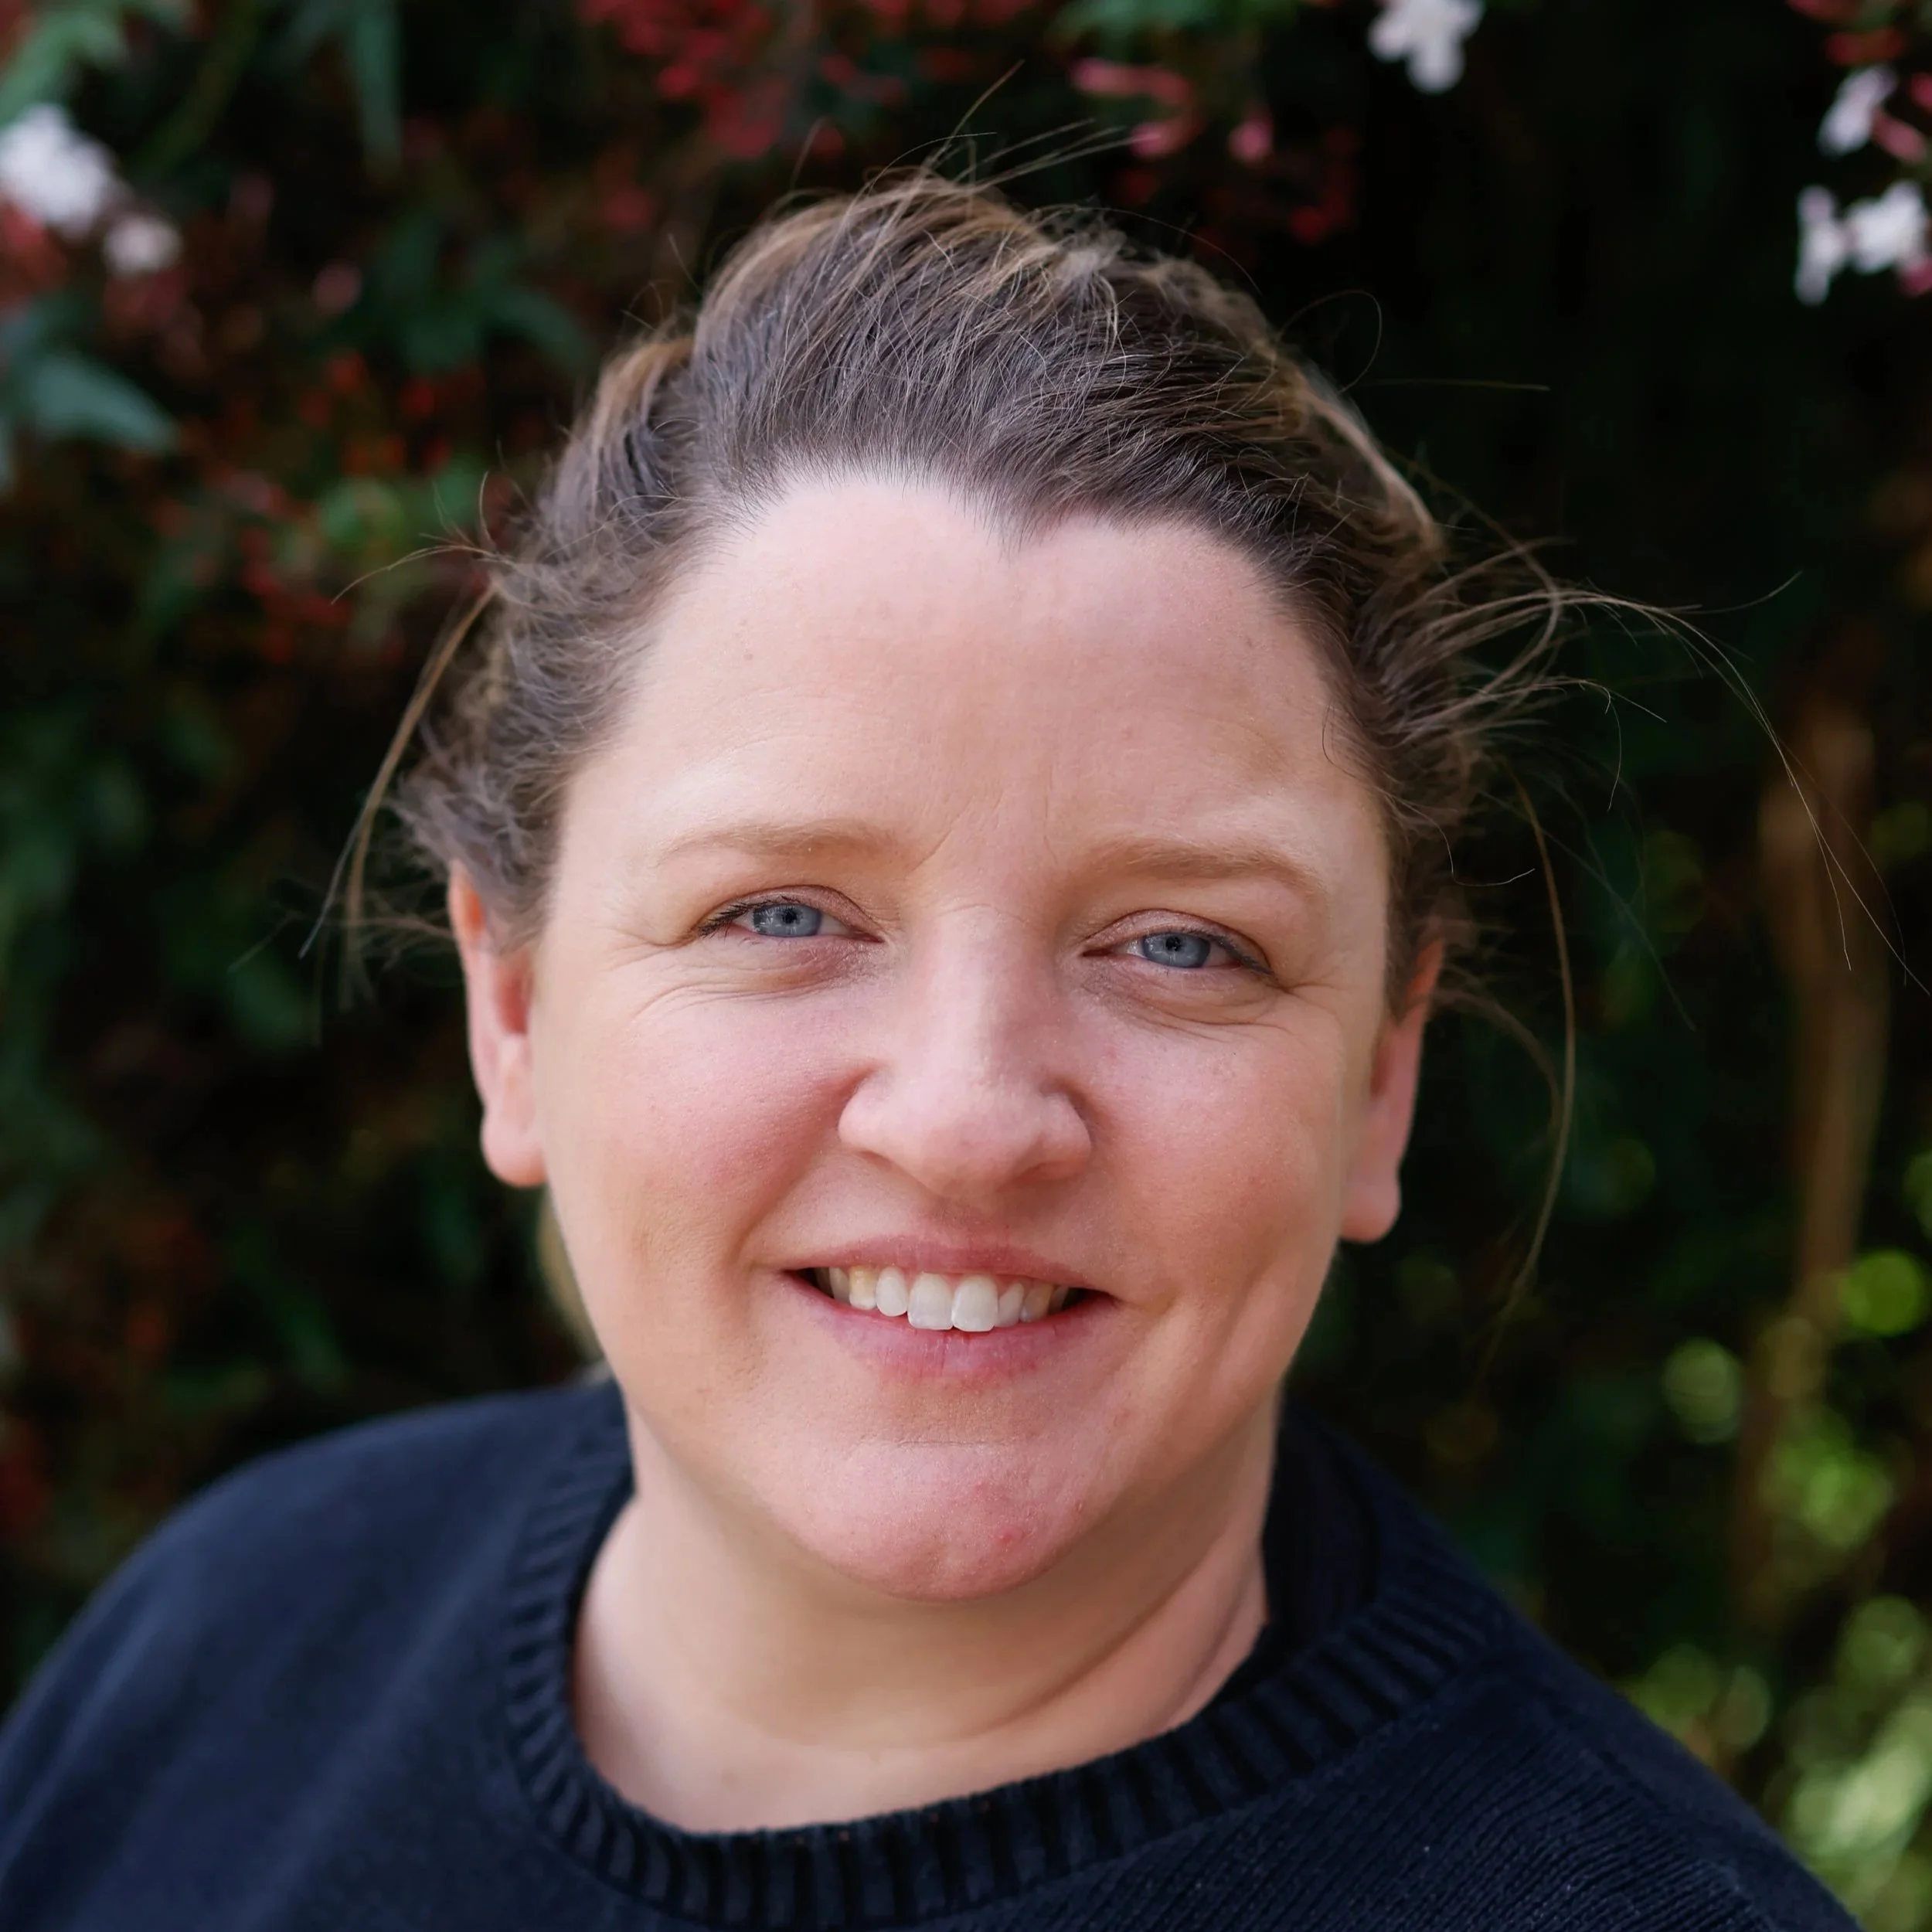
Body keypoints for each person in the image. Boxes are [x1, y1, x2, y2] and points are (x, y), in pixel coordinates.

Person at [0, 173, 1853, 1931]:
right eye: (785, 913)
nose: (969, 1118)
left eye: (1179, 944)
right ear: (511, 1007)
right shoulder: (223, 1652)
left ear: (1381, 1074)